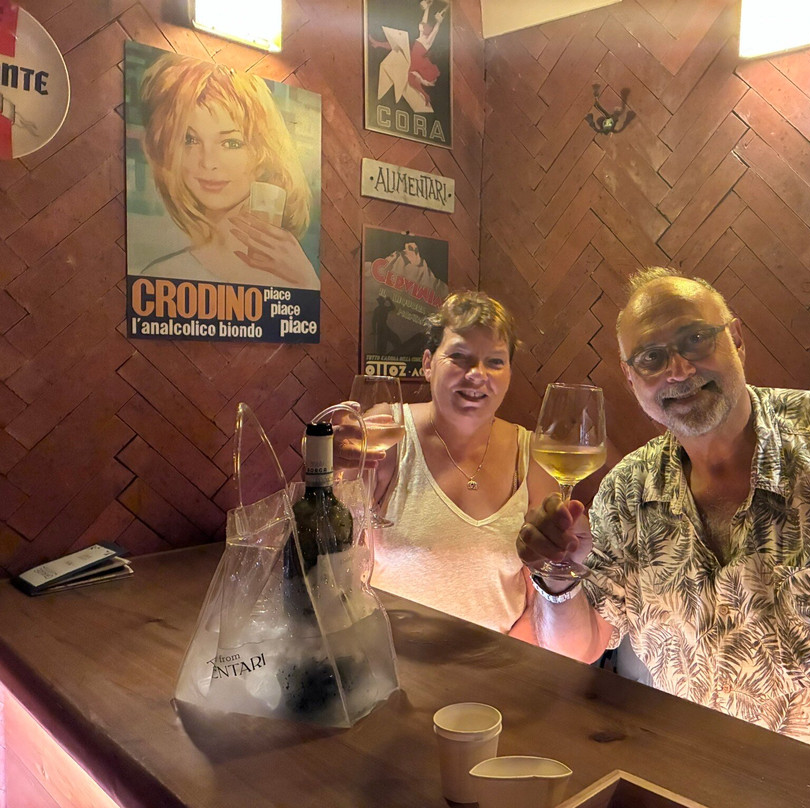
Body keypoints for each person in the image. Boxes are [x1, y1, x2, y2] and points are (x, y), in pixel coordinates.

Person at [518, 267, 810, 806]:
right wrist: (558, 577)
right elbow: (579, 646)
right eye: (651, 358)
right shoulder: (628, 492)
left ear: (738, 339)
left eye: (695, 339)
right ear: (632, 382)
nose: (678, 369)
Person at [358, 291, 557, 641]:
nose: (477, 374)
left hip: (499, 661)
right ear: (427, 363)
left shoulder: (533, 455)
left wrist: (509, 660)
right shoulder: (386, 433)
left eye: (495, 361)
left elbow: (544, 591)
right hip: (391, 656)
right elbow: (335, 556)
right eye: (459, 357)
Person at [136, 53, 318, 289]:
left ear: (265, 152)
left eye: (231, 143)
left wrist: (307, 282)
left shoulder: (298, 275)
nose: (208, 162)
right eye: (190, 140)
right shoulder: (163, 275)